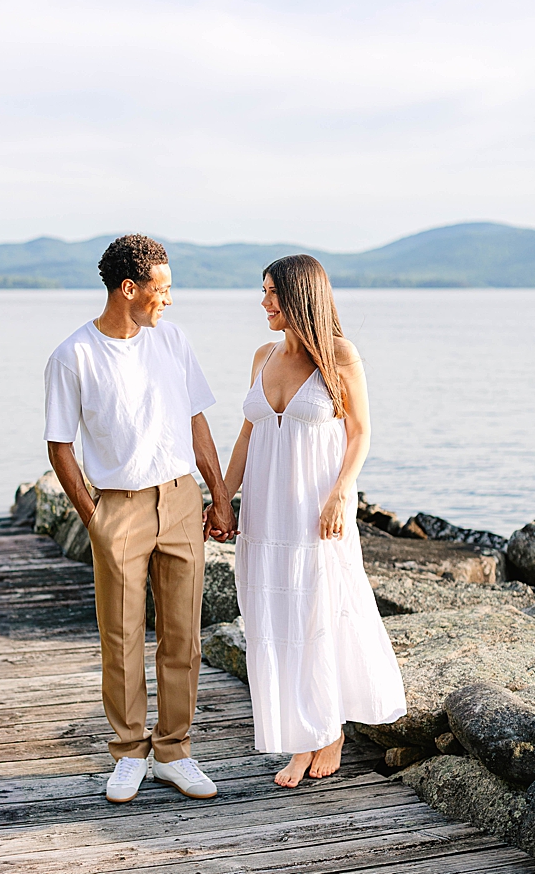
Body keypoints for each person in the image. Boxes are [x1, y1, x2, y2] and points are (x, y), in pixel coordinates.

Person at [43, 234, 236, 804]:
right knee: (121, 636)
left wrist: (219, 496)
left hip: (180, 500)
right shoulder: (72, 355)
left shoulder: (173, 341)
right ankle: (129, 752)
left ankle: (174, 751)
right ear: (130, 289)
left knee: (183, 635)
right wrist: (95, 517)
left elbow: (198, 424)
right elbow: (60, 446)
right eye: (164, 289)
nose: (170, 301)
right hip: (118, 507)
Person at [222, 254, 406, 788]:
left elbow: (360, 434)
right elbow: (247, 435)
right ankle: (302, 738)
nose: (263, 303)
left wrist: (340, 493)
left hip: (317, 510)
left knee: (317, 615)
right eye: (262, 293)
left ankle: (327, 732)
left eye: (271, 294)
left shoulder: (340, 356)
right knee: (271, 620)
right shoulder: (262, 355)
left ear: (299, 294)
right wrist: (222, 497)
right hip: (265, 513)